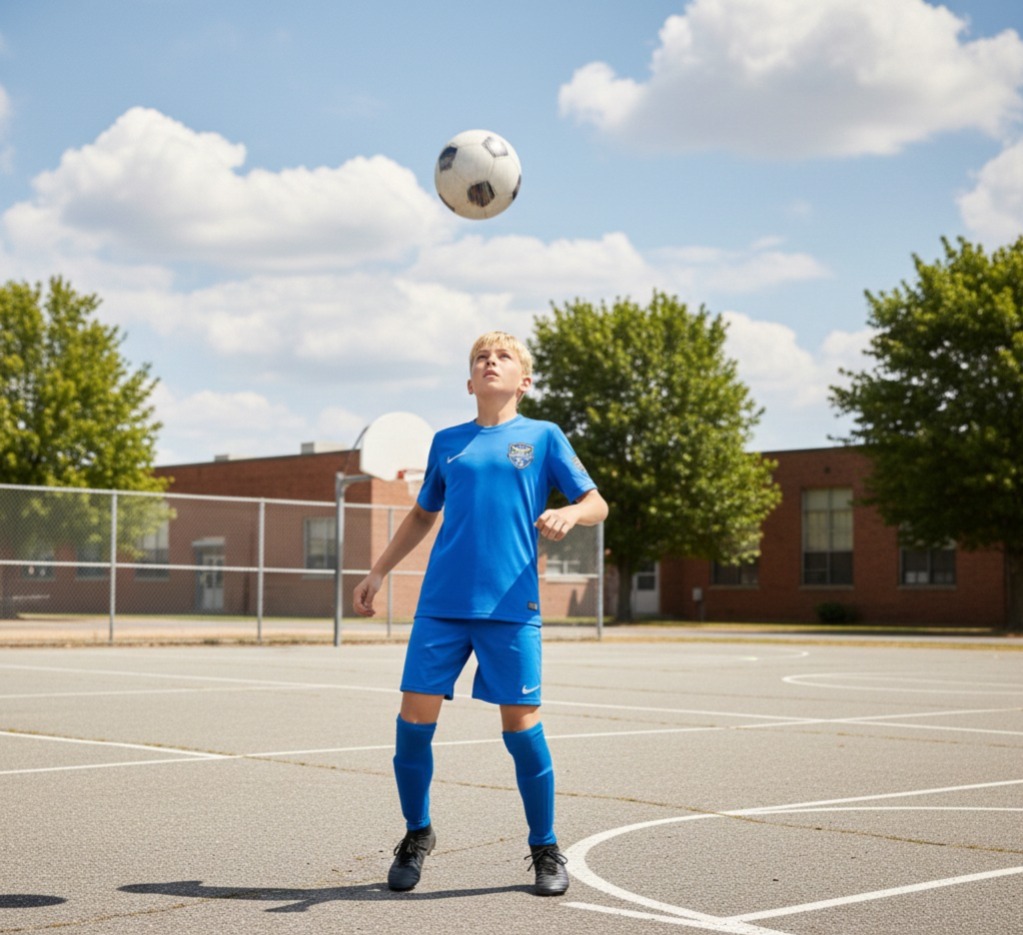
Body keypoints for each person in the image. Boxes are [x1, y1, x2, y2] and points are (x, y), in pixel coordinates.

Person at [353, 331, 608, 897]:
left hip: (512, 607)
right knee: (412, 726)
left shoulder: (543, 438)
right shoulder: (448, 442)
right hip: (442, 607)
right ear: (470, 382)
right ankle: (418, 834)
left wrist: (571, 513)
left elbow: (598, 502)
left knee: (520, 728)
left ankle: (544, 847)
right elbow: (422, 517)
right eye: (481, 359)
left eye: (503, 357)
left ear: (525, 380)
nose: (491, 363)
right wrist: (377, 571)